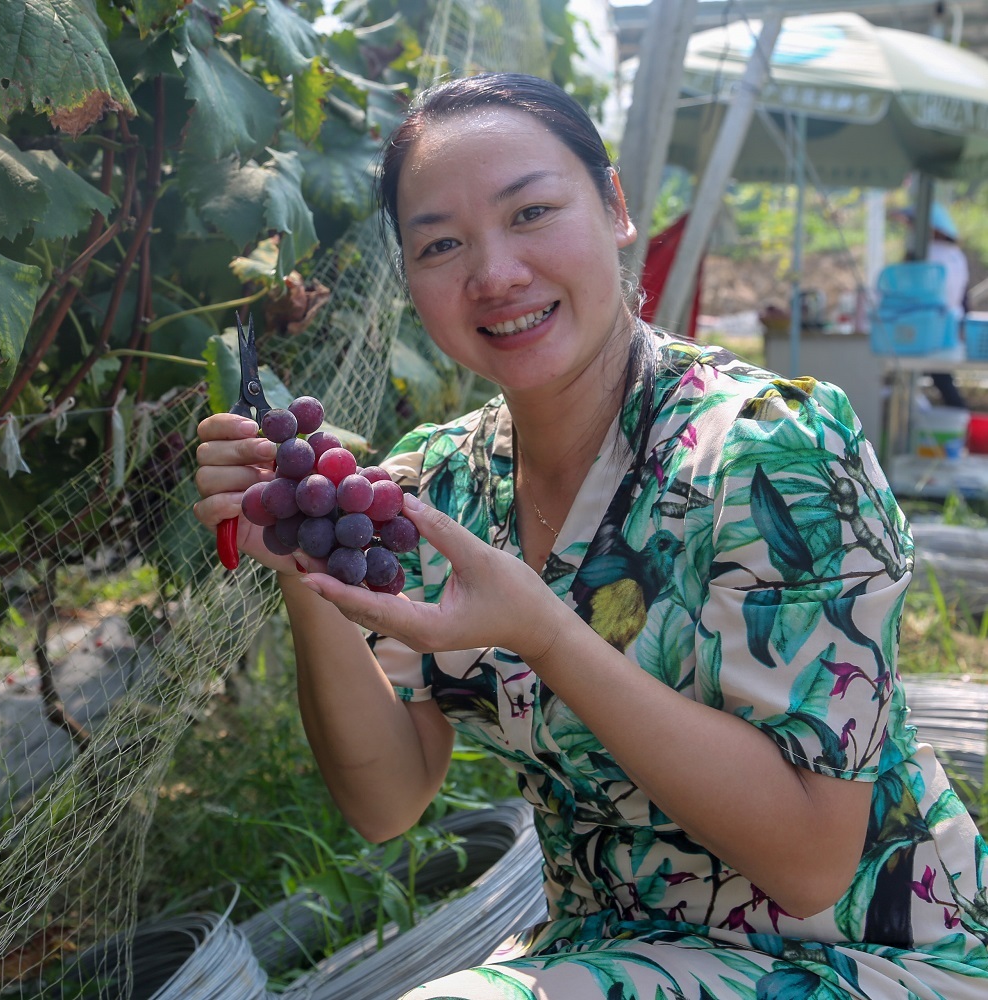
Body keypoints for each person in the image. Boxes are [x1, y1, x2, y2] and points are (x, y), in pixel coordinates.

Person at [193, 73, 988, 999]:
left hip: (863, 954)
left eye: (530, 212)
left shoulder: (772, 448)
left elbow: (811, 862)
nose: (493, 273)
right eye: (441, 243)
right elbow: (387, 799)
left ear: (614, 207)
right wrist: (304, 567)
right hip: (604, 955)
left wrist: (547, 633)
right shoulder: (442, 486)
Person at [894, 201, 970, 408]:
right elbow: (964, 297)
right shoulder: (956, 254)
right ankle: (959, 421)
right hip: (949, 332)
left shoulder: (924, 253)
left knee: (907, 381)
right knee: (943, 380)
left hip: (921, 332)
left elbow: (903, 291)